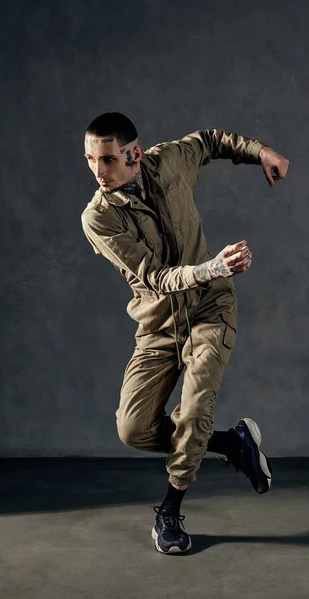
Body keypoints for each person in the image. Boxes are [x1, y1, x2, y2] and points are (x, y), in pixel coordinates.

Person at [81, 112, 289, 554]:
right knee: (133, 429)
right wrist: (213, 266)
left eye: (108, 160)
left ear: (135, 155)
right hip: (157, 326)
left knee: (193, 412)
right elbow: (154, 276)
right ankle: (231, 443)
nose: (99, 172)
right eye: (91, 160)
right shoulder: (97, 219)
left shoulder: (169, 161)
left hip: (210, 310)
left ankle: (169, 511)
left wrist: (259, 152)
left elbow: (211, 141)